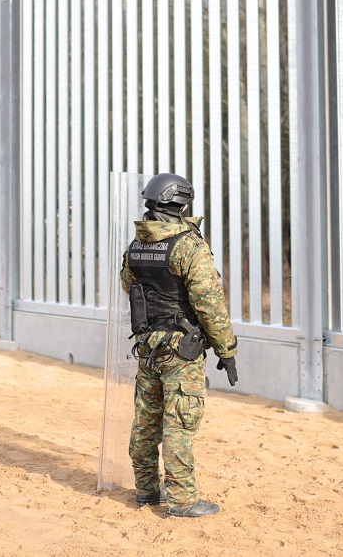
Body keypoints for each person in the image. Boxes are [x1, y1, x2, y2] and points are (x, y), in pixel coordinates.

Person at [120, 172, 238, 518]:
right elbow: (210, 304)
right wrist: (226, 350)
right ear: (183, 204)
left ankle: (146, 491)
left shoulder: (137, 245)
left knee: (146, 419)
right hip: (181, 350)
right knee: (180, 423)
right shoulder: (188, 245)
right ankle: (182, 501)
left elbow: (130, 286)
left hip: (148, 346)